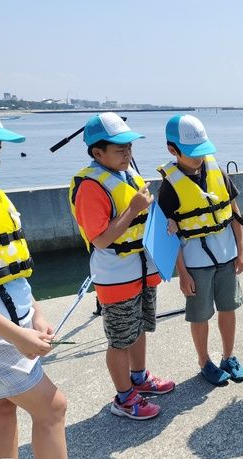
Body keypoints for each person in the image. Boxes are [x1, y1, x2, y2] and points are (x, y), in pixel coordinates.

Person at [0, 100, 123, 459]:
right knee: (53, 408)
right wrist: (18, 336)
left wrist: (37, 314)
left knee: (0, 408)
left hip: (6, 328)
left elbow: (10, 272)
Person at [69, 113, 175, 420]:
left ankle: (139, 379)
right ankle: (124, 398)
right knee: (119, 339)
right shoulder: (91, 186)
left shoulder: (126, 175)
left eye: (129, 147)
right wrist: (132, 210)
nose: (127, 154)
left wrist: (163, 221)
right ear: (97, 153)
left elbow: (144, 216)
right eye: (119, 149)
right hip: (116, 276)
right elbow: (100, 239)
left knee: (140, 327)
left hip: (141, 269)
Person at [157, 114, 243, 385]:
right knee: (200, 315)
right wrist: (182, 273)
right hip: (195, 262)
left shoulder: (216, 170)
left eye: (202, 151)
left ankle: (228, 356)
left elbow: (234, 212)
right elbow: (169, 237)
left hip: (226, 254)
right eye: (191, 153)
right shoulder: (168, 188)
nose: (199, 158)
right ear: (172, 150)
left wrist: (241, 249)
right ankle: (204, 361)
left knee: (229, 308)